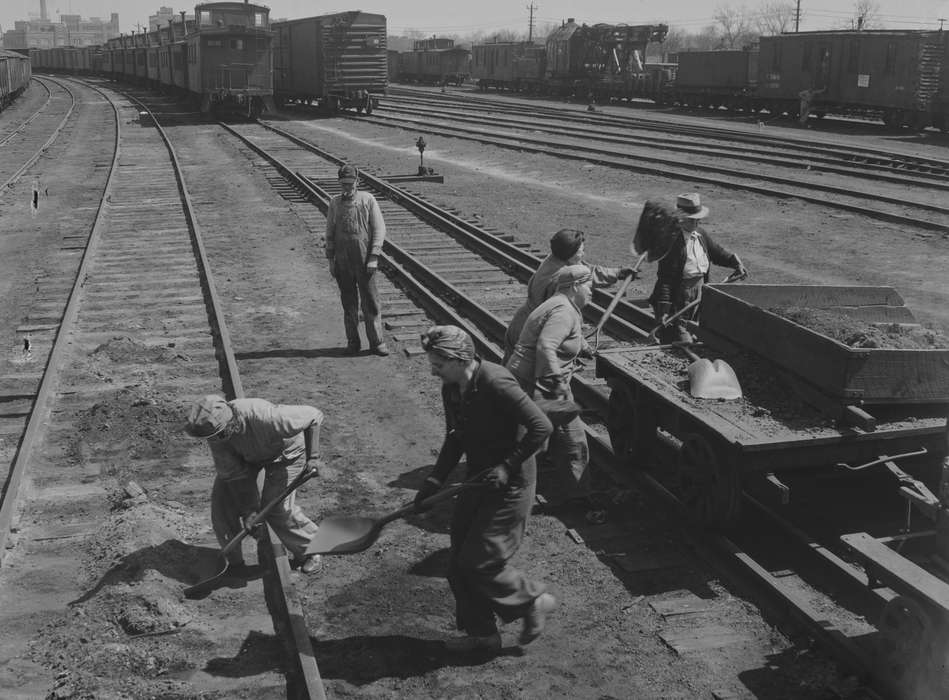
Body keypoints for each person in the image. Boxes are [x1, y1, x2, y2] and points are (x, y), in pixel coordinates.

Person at [414, 325, 556, 652]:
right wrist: (433, 481)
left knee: (478, 561)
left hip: (512, 482)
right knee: (457, 564)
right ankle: (483, 636)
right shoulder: (452, 388)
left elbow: (541, 426)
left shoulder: (496, 381)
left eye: (438, 364)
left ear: (459, 358)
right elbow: (456, 437)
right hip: (479, 478)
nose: (432, 371)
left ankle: (533, 602)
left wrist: (508, 466)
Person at [185, 395, 324, 574]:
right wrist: (249, 511)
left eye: (220, 433)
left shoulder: (266, 417)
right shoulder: (215, 438)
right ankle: (233, 563)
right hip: (248, 458)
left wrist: (313, 457)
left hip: (286, 454)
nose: (217, 438)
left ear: (231, 420)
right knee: (222, 508)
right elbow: (234, 475)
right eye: (212, 436)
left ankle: (311, 551)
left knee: (275, 509)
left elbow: (314, 416)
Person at [506, 265, 596, 513]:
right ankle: (573, 498)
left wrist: (583, 346)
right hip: (539, 383)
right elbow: (546, 344)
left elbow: (557, 336)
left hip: (533, 380)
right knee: (559, 440)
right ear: (575, 286)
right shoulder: (564, 312)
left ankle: (574, 492)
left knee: (555, 438)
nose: (592, 292)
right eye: (589, 286)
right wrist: (555, 381)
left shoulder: (558, 303)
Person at [503, 228, 636, 362]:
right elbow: (561, 318)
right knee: (529, 376)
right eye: (580, 251)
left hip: (521, 324)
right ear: (571, 254)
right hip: (530, 334)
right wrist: (582, 346)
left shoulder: (557, 258)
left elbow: (587, 272)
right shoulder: (559, 278)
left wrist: (618, 273)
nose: (583, 253)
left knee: (510, 372)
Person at [649, 193, 747, 344]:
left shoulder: (700, 234)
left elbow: (717, 253)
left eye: (698, 218)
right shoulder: (670, 241)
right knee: (682, 336)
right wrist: (664, 309)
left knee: (697, 327)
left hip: (700, 290)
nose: (697, 221)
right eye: (693, 219)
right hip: (680, 295)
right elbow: (665, 279)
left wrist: (735, 262)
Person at [325, 164, 389, 356]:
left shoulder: (367, 200)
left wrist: (374, 257)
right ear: (339, 184)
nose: (347, 187)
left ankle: (376, 342)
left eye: (350, 183)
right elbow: (329, 232)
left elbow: (379, 229)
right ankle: (353, 342)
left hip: (364, 260)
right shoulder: (334, 203)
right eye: (343, 184)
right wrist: (331, 260)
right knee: (349, 303)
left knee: (370, 302)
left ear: (357, 182)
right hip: (342, 262)